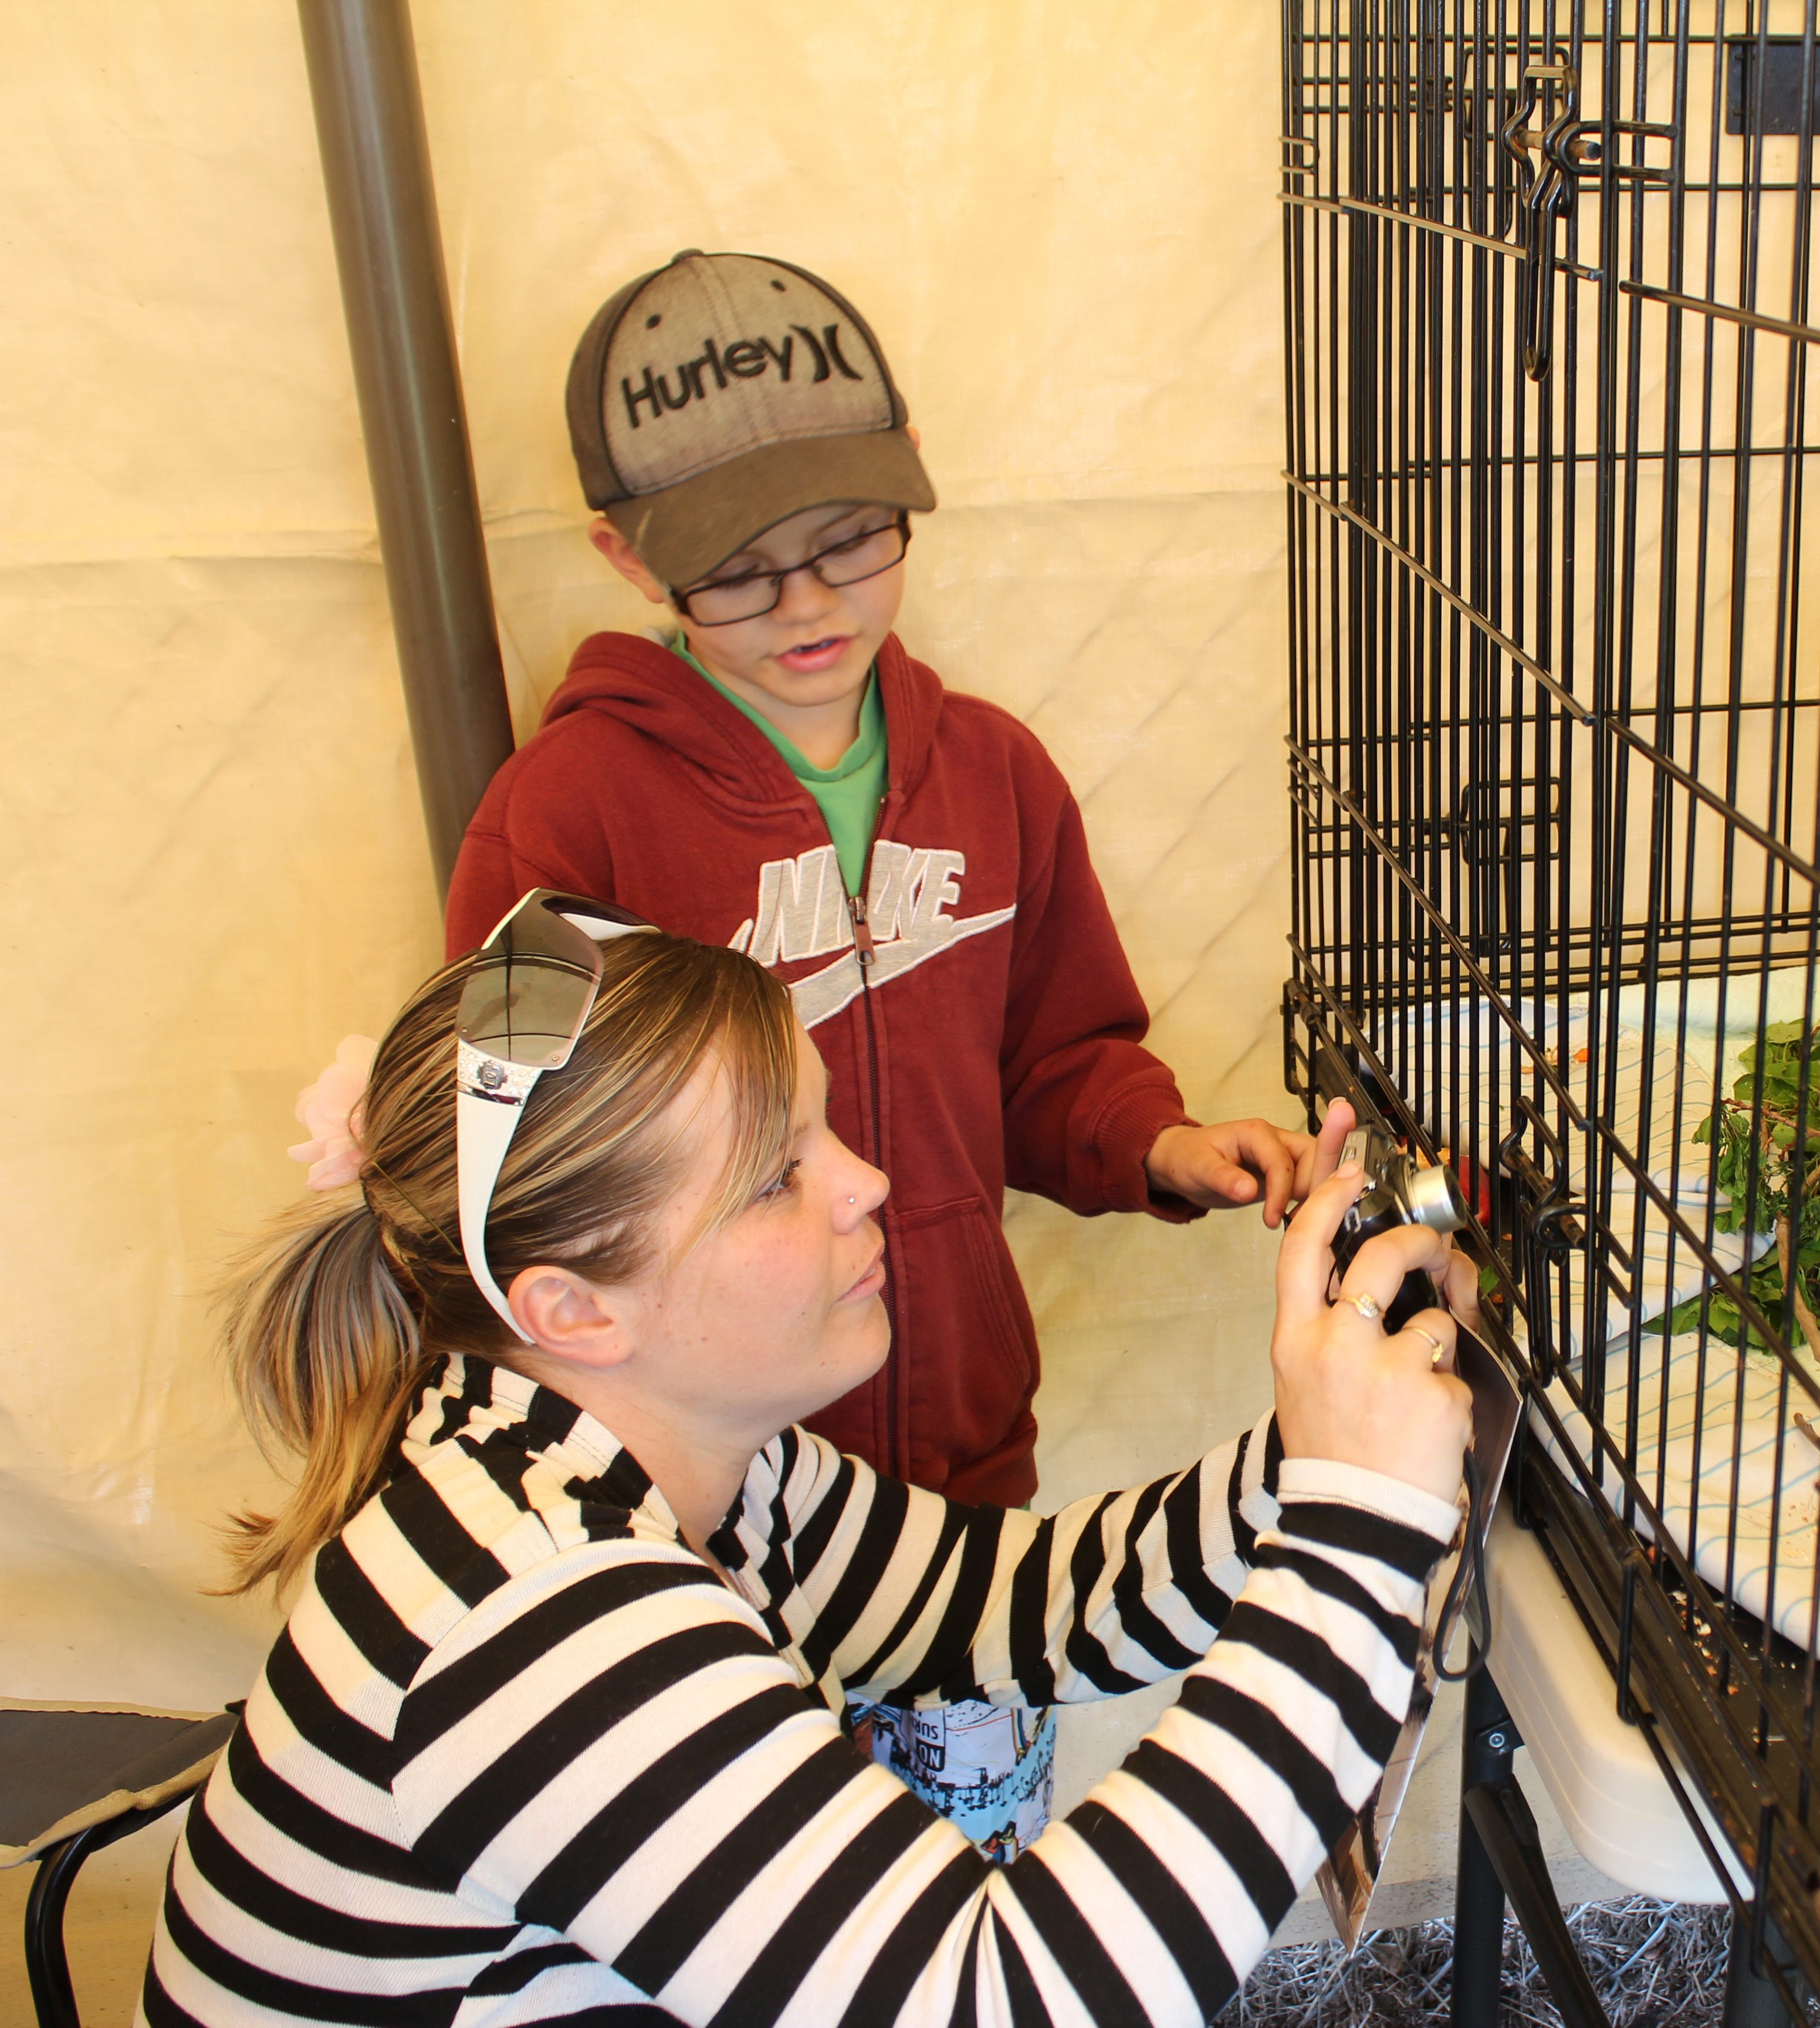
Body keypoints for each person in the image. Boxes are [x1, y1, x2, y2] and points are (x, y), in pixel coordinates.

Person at [149, 896, 1471, 2026]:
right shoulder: (529, 1613)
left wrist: (1318, 1450)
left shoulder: (673, 1461)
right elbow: (1000, 2004)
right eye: (780, 1176)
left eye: (825, 1125)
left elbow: (1007, 1610)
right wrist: (1358, 1528)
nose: (870, 1184)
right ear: (571, 1310)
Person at [443, 249, 1316, 1846]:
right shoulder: (560, 817)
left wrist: (1162, 1145)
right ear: (626, 559)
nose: (807, 604)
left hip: (965, 1485)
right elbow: (503, 1167)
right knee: (752, 1927)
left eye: (851, 541)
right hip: (706, 1527)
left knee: (968, 1892)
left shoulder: (993, 775)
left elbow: (1057, 1059)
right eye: (736, 566)